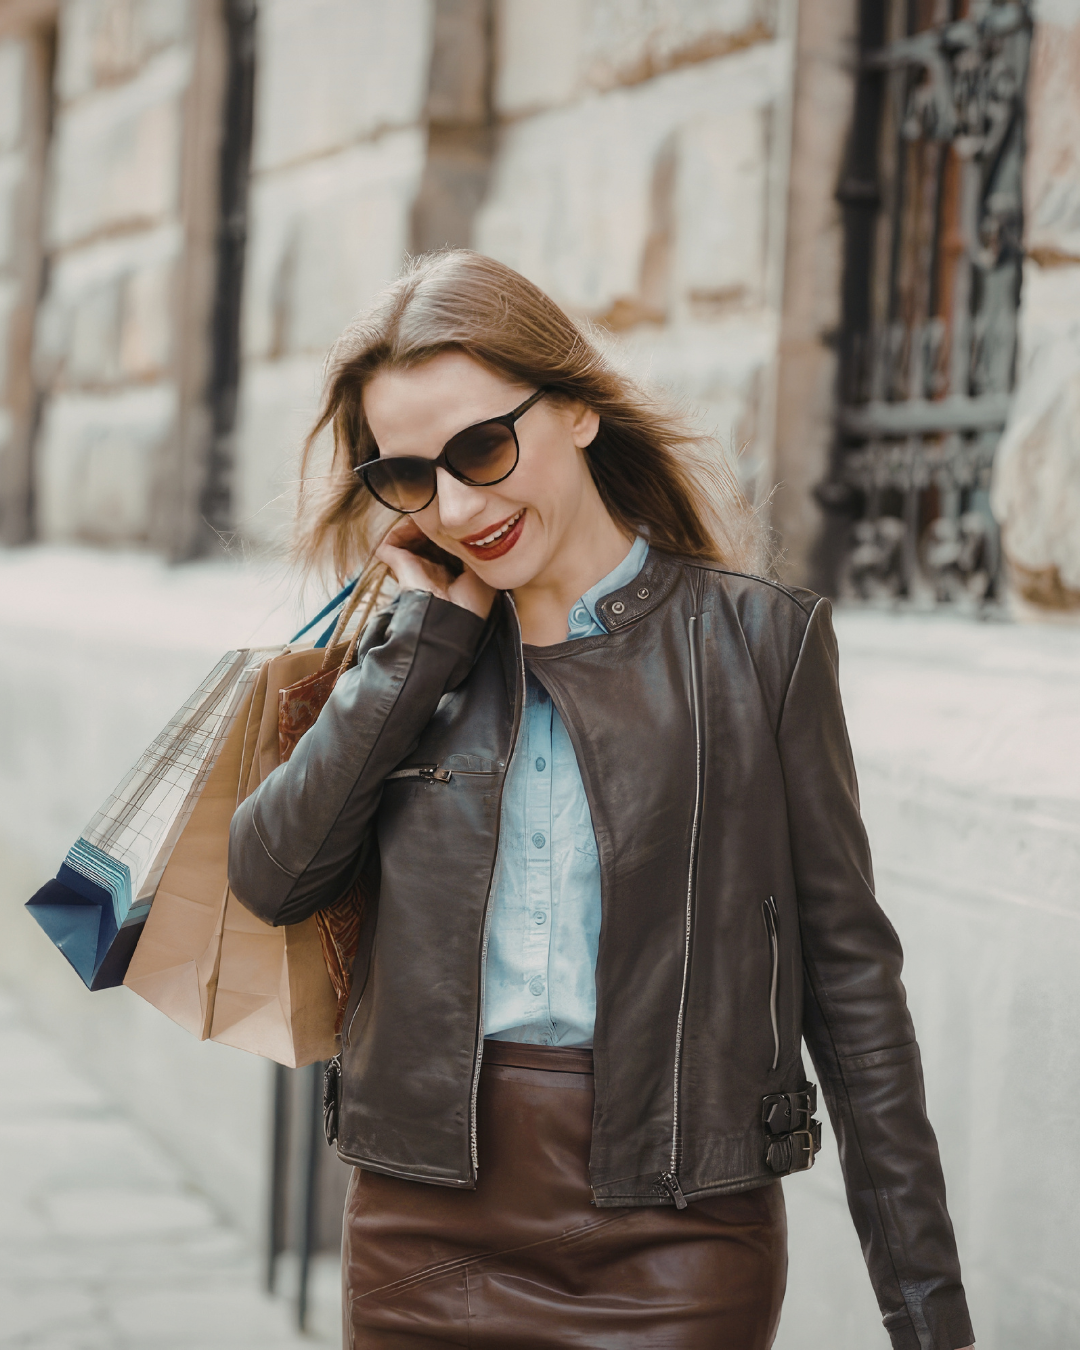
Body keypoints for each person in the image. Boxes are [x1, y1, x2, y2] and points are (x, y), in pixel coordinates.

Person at [228, 251, 974, 1350]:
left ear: (575, 406)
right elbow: (273, 878)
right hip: (419, 1229)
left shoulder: (757, 648)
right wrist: (417, 651)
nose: (459, 504)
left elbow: (854, 988)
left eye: (483, 447)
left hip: (680, 1240)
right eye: (410, 477)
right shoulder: (407, 660)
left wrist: (927, 1316)